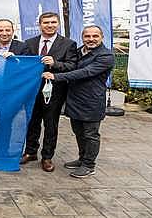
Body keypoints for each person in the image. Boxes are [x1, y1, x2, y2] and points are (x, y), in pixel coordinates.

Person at [43, 25, 114, 178]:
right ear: (83, 37)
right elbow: (69, 64)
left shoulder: (105, 56)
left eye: (95, 36)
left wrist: (56, 77)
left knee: (91, 134)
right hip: (75, 100)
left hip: (92, 102)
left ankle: (89, 165)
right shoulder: (79, 51)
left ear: (102, 37)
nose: (91, 39)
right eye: (87, 36)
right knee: (79, 133)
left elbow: (85, 72)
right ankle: (82, 158)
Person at [19, 12, 77, 172]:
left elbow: (72, 66)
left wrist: (55, 63)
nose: (49, 25)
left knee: (51, 124)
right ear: (40, 24)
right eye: (46, 22)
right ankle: (31, 152)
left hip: (55, 91)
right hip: (32, 90)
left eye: (53, 22)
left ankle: (47, 156)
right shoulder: (29, 43)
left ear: (58, 24)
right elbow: (23, 65)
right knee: (32, 122)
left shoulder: (68, 44)